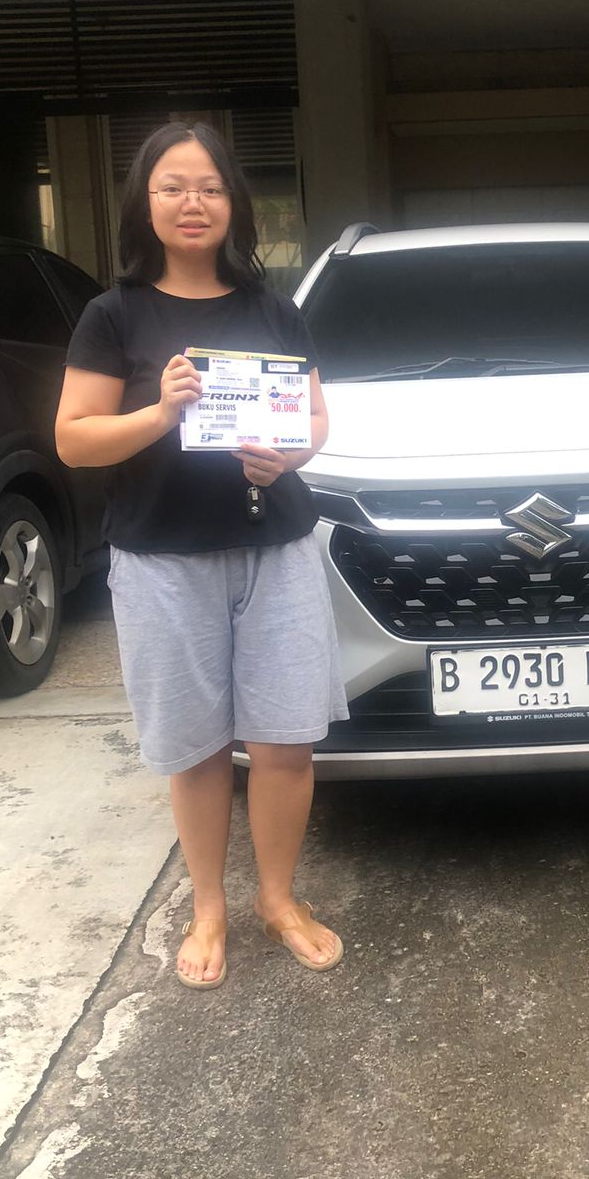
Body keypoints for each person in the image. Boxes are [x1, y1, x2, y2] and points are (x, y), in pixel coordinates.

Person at [56, 122, 348, 990]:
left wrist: (287, 455)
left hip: (275, 549)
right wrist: (160, 413)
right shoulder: (114, 315)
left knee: (286, 742)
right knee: (195, 747)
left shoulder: (274, 310)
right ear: (144, 203)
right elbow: (73, 440)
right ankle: (209, 906)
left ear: (234, 204)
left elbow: (316, 418)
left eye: (211, 188)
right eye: (174, 187)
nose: (194, 203)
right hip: (162, 558)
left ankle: (279, 898)